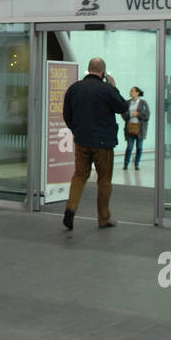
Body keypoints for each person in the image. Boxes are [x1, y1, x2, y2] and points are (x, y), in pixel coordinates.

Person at [61, 58, 130, 231]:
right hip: (103, 144)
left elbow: (66, 115)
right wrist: (113, 86)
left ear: (88, 69)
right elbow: (122, 107)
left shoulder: (74, 88)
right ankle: (103, 218)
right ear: (103, 72)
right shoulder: (107, 89)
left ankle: (70, 208)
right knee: (104, 180)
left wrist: (77, 130)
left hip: (82, 141)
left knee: (79, 176)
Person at [124, 86, 150, 171]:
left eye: (132, 91)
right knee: (129, 147)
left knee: (139, 147)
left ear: (137, 93)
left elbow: (147, 115)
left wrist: (137, 114)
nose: (130, 93)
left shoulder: (143, 103)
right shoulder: (127, 103)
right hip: (130, 128)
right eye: (130, 91)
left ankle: (136, 164)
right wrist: (131, 114)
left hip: (140, 129)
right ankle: (126, 164)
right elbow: (124, 114)